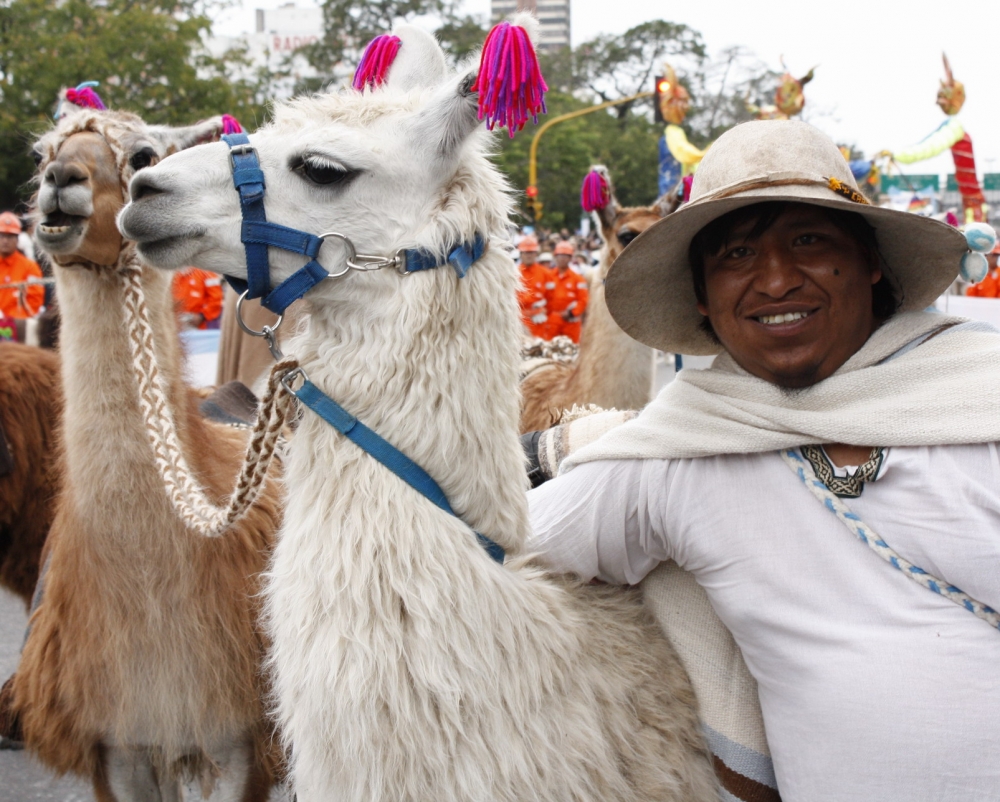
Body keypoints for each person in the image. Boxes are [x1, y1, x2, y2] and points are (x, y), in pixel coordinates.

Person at [527, 120, 1000, 801]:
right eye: (737, 254)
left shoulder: (980, 399)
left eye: (809, 240)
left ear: (871, 262)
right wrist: (564, 446)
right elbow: (482, 543)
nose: (776, 280)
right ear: (701, 296)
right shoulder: (673, 455)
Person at [0, 212, 44, 319]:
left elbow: (35, 301)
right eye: (2, 236)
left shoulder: (30, 267)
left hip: (18, 327)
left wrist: (11, 321)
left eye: (10, 236)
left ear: (17, 238)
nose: (5, 241)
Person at [547, 240, 589, 342]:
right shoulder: (548, 276)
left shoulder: (578, 279)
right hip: (552, 320)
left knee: (571, 352)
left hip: (571, 321)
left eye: (565, 256)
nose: (562, 258)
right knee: (548, 350)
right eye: (560, 255)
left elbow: (583, 300)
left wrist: (572, 313)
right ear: (555, 257)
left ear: (570, 258)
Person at [516, 235, 555, 339]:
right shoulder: (514, 273)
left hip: (539, 320)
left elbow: (551, 298)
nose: (529, 255)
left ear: (536, 254)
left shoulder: (546, 273)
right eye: (526, 252)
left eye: (531, 252)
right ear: (521, 254)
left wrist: (545, 311)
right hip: (518, 320)